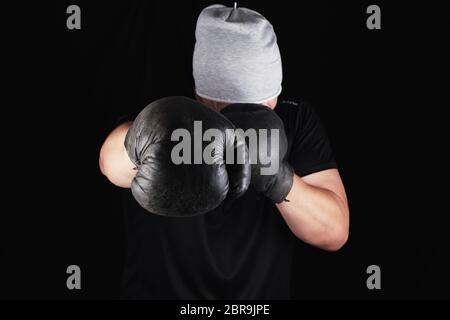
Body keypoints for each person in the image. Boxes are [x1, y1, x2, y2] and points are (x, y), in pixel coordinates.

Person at [99, 4, 349, 299]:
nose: (247, 121)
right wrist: (158, 139)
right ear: (201, 98)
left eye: (262, 107)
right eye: (232, 109)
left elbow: (334, 232)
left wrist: (279, 179)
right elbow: (109, 162)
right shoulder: (167, 111)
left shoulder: (294, 118)